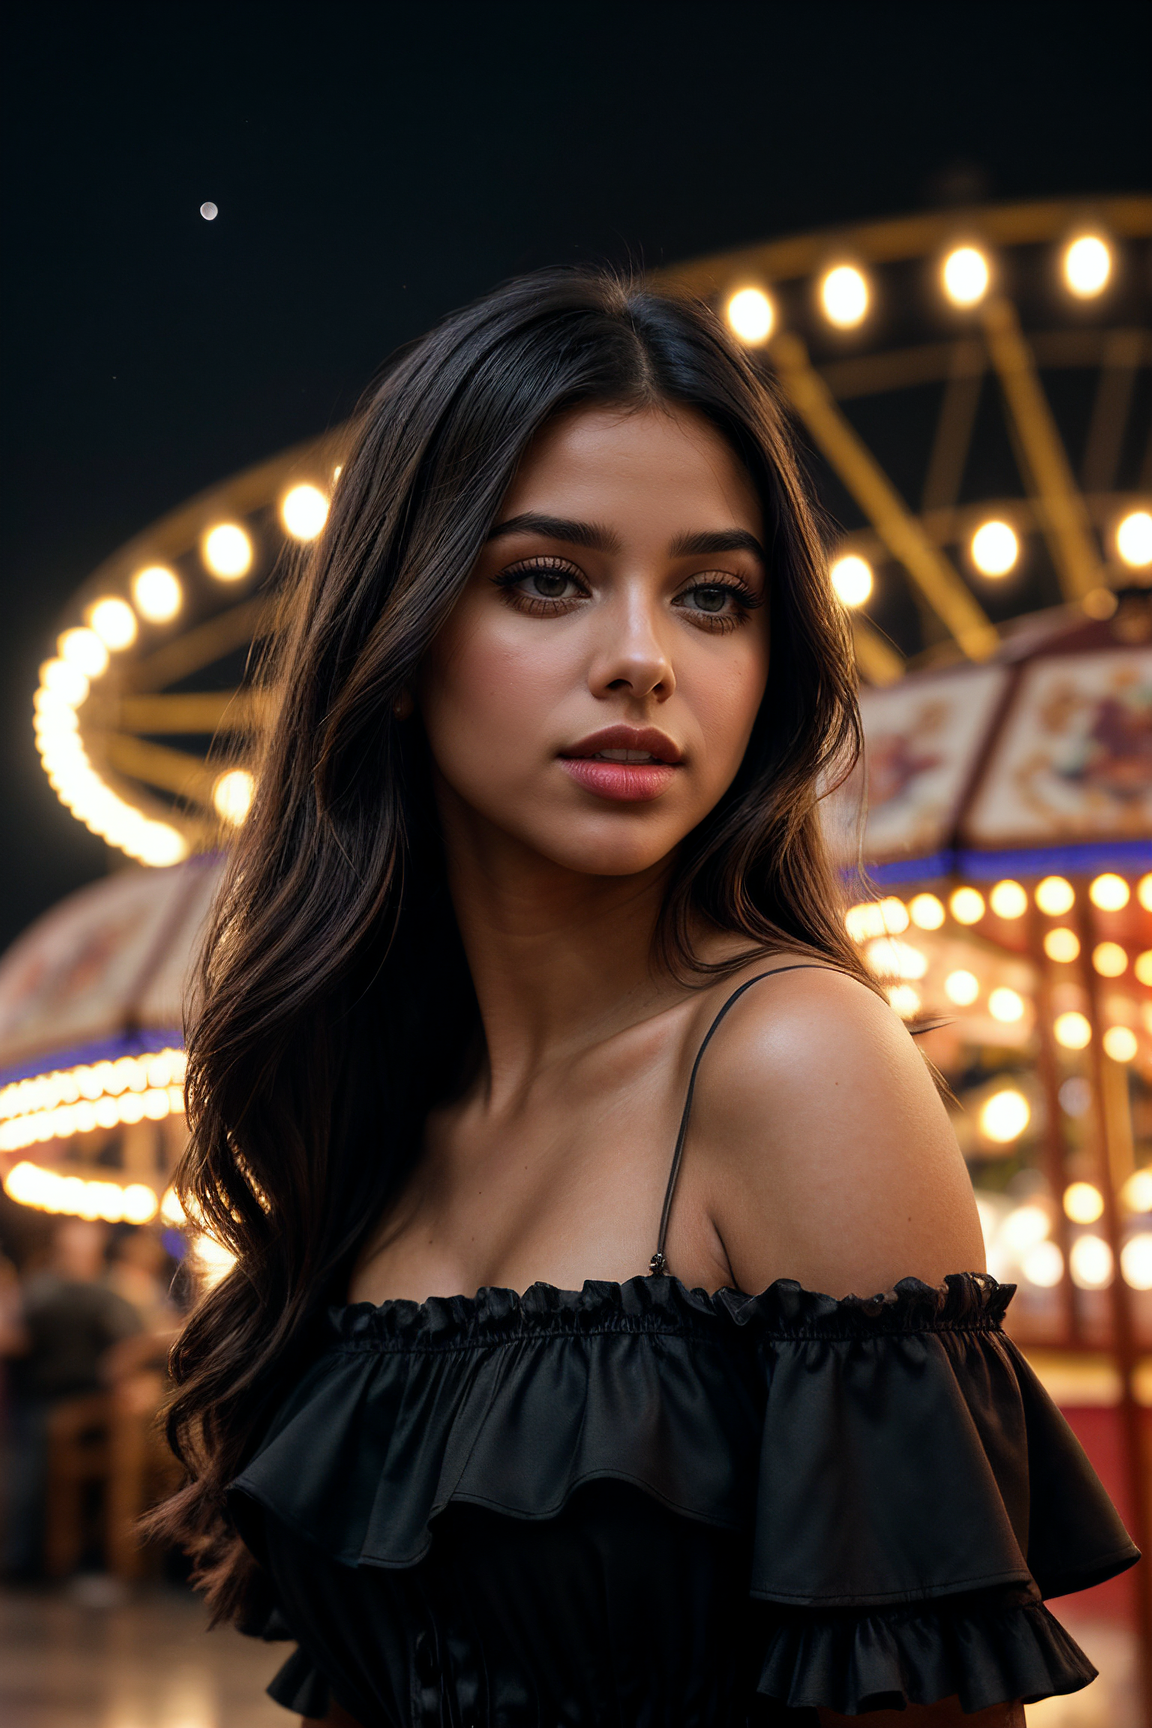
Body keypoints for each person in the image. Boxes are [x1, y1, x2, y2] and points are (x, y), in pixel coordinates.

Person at [151, 272, 1138, 1728]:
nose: (643, 659)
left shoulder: (796, 1060)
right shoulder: (381, 1112)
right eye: (547, 578)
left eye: (714, 596)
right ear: (401, 637)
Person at [1, 1217, 141, 1576]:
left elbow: (129, 1347)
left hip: (91, 1401)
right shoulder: (44, 1290)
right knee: (32, 1466)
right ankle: (29, 1559)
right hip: (46, 1398)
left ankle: (74, 1558)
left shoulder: (106, 1291)